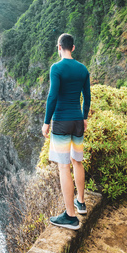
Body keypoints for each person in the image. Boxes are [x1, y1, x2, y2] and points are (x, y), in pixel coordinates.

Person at [42, 33, 91, 230]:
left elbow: (52, 96)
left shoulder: (56, 68)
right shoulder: (83, 69)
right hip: (78, 120)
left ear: (59, 47)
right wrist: (84, 117)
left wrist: (46, 122)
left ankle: (70, 216)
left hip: (61, 121)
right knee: (77, 161)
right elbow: (87, 96)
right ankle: (81, 202)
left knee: (64, 167)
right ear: (73, 47)